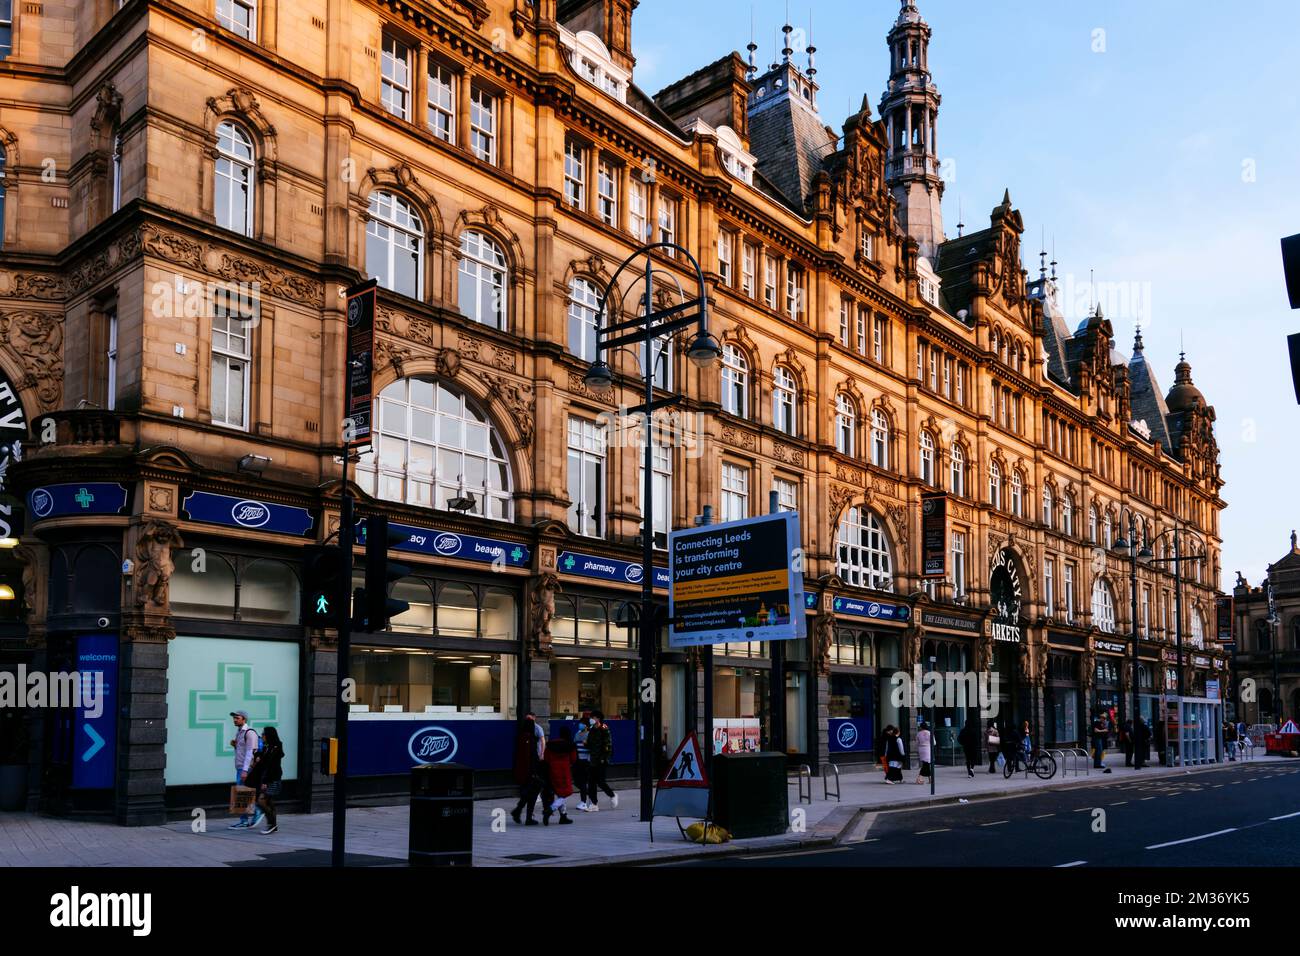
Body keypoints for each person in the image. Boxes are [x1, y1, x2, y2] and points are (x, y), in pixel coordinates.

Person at [245, 725, 284, 833]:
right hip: (266, 778)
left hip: (271, 779)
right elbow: (262, 755)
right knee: (269, 802)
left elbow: (272, 766)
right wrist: (257, 754)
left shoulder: (275, 748)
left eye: (263, 734)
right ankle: (273, 825)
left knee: (262, 801)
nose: (262, 736)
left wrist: (266, 782)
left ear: (269, 735)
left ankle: (271, 824)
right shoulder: (268, 747)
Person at [228, 710, 262, 829]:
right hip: (240, 767)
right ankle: (246, 819)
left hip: (244, 768)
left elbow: (250, 753)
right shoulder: (239, 732)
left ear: (244, 719)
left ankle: (254, 813)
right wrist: (235, 745)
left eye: (237, 718)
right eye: (234, 718)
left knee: (242, 793)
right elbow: (243, 751)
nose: (234, 720)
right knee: (243, 793)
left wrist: (245, 770)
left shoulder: (249, 733)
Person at [510, 715, 544, 825]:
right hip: (531, 771)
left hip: (521, 770)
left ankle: (519, 811)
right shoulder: (531, 738)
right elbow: (533, 756)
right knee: (532, 793)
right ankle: (525, 815)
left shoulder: (520, 737)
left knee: (526, 791)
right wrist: (536, 770)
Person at [542, 723, 577, 824]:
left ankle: (563, 816)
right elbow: (573, 759)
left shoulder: (551, 744)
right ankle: (550, 810)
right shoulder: (570, 745)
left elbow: (546, 758)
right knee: (565, 793)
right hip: (564, 771)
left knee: (559, 793)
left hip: (552, 771)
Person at [585, 710, 617, 809]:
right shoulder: (591, 729)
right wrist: (586, 744)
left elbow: (608, 746)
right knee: (591, 783)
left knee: (600, 782)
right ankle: (594, 804)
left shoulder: (604, 729)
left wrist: (604, 758)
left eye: (593, 717)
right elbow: (590, 744)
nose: (591, 719)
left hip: (601, 760)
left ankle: (612, 795)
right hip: (592, 759)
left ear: (598, 718)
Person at [573, 713, 593, 811]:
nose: (580, 725)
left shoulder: (590, 734)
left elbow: (592, 748)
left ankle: (584, 802)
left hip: (586, 761)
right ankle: (591, 796)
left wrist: (587, 744)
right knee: (577, 781)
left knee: (583, 781)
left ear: (586, 725)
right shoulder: (577, 733)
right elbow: (574, 745)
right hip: (578, 761)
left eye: (582, 724)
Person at [915, 721, 933, 785]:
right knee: (926, 764)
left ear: (921, 727)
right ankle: (919, 778)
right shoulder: (929, 733)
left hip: (921, 749)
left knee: (926, 764)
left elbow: (917, 743)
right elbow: (934, 742)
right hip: (927, 749)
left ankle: (930, 779)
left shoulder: (918, 733)